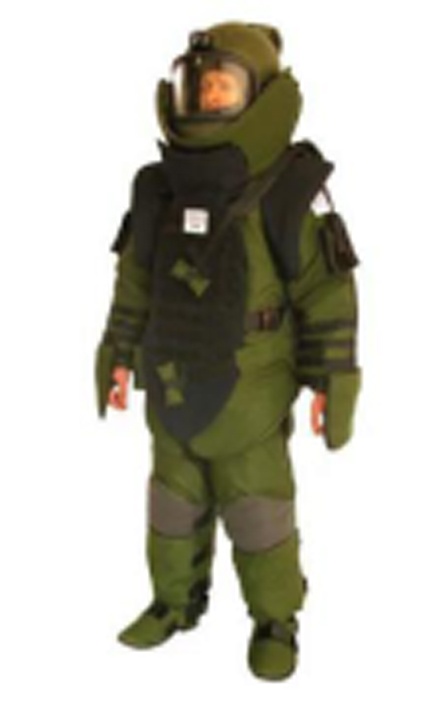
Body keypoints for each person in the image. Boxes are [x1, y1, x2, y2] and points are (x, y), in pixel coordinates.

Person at [95, 21, 361, 681]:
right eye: (199, 88)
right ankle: (173, 601)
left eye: (223, 89)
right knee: (171, 502)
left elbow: (326, 293)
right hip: (172, 383)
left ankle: (275, 620)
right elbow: (134, 281)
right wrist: (117, 351)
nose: (209, 101)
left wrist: (333, 378)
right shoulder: (156, 192)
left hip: (252, 396)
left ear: (260, 96)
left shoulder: (287, 192)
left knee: (258, 509)